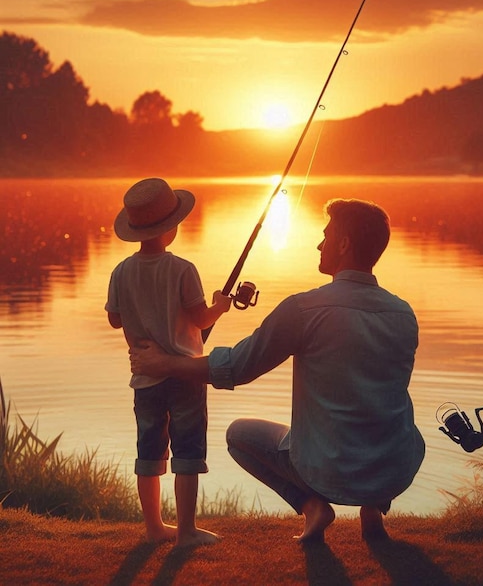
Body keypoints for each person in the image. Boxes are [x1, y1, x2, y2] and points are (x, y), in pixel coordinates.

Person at [130, 198, 425, 543]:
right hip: (392, 470)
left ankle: (312, 505)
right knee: (377, 406)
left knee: (239, 435)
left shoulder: (304, 309)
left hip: (326, 471)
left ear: (344, 245)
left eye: (327, 235)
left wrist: (167, 364)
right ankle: (373, 509)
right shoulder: (404, 314)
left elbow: (238, 367)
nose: (319, 243)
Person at [105, 177, 231, 547]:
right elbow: (200, 319)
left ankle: (155, 528)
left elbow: (114, 319)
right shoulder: (182, 269)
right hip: (185, 376)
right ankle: (187, 530)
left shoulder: (121, 272)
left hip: (145, 379)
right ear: (172, 227)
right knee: (188, 450)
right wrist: (220, 306)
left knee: (149, 451)